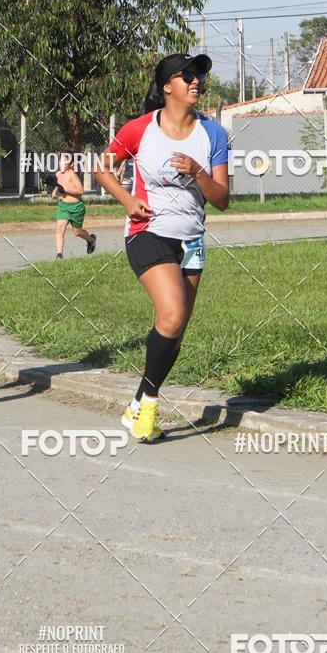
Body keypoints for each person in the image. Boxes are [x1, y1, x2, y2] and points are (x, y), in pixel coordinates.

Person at [94, 52, 229, 442]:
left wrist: (198, 172)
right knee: (171, 315)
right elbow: (101, 167)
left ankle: (136, 404)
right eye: (186, 75)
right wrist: (125, 199)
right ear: (167, 85)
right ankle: (148, 408)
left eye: (198, 75)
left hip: (191, 238)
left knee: (175, 332)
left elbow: (221, 199)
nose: (195, 81)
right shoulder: (140, 129)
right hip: (147, 232)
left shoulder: (213, 134)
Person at [52, 153, 96, 258]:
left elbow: (80, 190)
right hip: (63, 206)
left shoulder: (72, 174)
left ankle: (91, 240)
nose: (61, 163)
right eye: (60, 160)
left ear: (71, 164)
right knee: (59, 229)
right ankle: (59, 255)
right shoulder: (58, 174)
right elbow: (59, 188)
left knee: (77, 232)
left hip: (77, 207)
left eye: (65, 160)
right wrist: (55, 192)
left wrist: (65, 189)